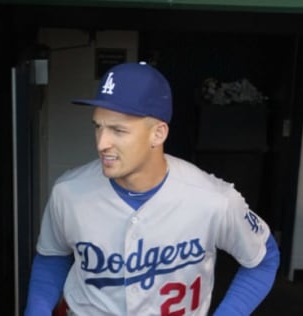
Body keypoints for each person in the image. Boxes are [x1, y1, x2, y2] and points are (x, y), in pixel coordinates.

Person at [24, 61, 280, 316]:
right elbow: (52, 256)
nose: (102, 143)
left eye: (118, 130)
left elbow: (263, 258)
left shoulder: (213, 198)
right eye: (98, 126)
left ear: (158, 134)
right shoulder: (68, 192)